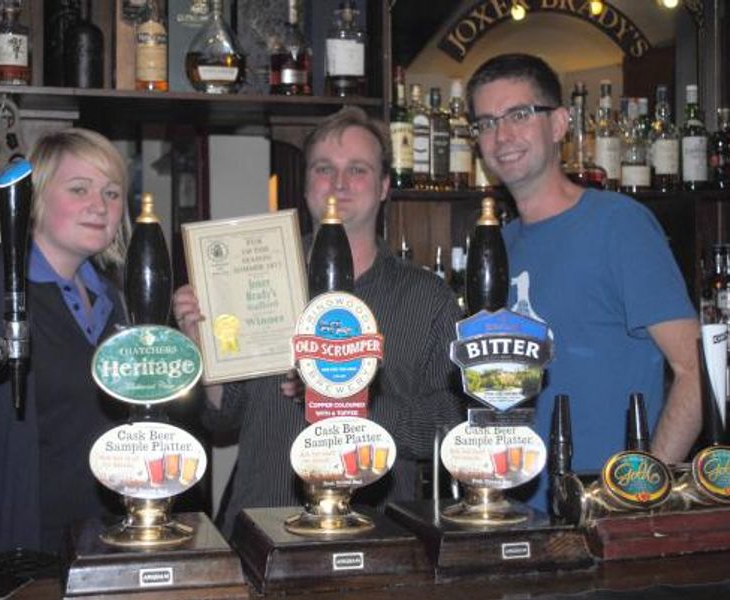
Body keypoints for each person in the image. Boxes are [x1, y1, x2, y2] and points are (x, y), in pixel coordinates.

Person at [173, 106, 465, 536]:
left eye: (358, 170)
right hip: (261, 527)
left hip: (378, 533)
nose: (340, 183)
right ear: (307, 184)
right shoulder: (258, 278)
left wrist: (358, 404)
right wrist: (203, 346)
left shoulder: (427, 297)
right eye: (324, 168)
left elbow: (450, 424)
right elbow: (222, 419)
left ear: (385, 186)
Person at [465, 54, 701, 510]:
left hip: (606, 516)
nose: (502, 135)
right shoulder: (498, 245)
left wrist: (641, 497)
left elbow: (694, 369)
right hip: (513, 515)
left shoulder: (619, 225)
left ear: (559, 124)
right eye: (487, 122)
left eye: (519, 115)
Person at [0, 128, 131, 556]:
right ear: (36, 199)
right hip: (15, 542)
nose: (100, 206)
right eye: (80, 189)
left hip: (105, 535)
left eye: (112, 194)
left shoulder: (112, 297)